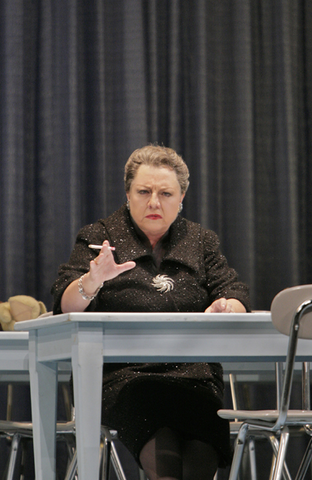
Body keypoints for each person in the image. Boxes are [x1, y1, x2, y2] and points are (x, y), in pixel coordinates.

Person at [52, 145, 250, 480]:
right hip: (124, 378)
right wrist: (92, 280)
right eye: (144, 192)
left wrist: (226, 307)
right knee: (154, 408)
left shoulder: (201, 241)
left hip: (193, 376)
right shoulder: (100, 237)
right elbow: (65, 303)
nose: (154, 202)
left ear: (182, 196)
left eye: (165, 193)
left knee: (201, 430)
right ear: (128, 194)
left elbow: (234, 293)